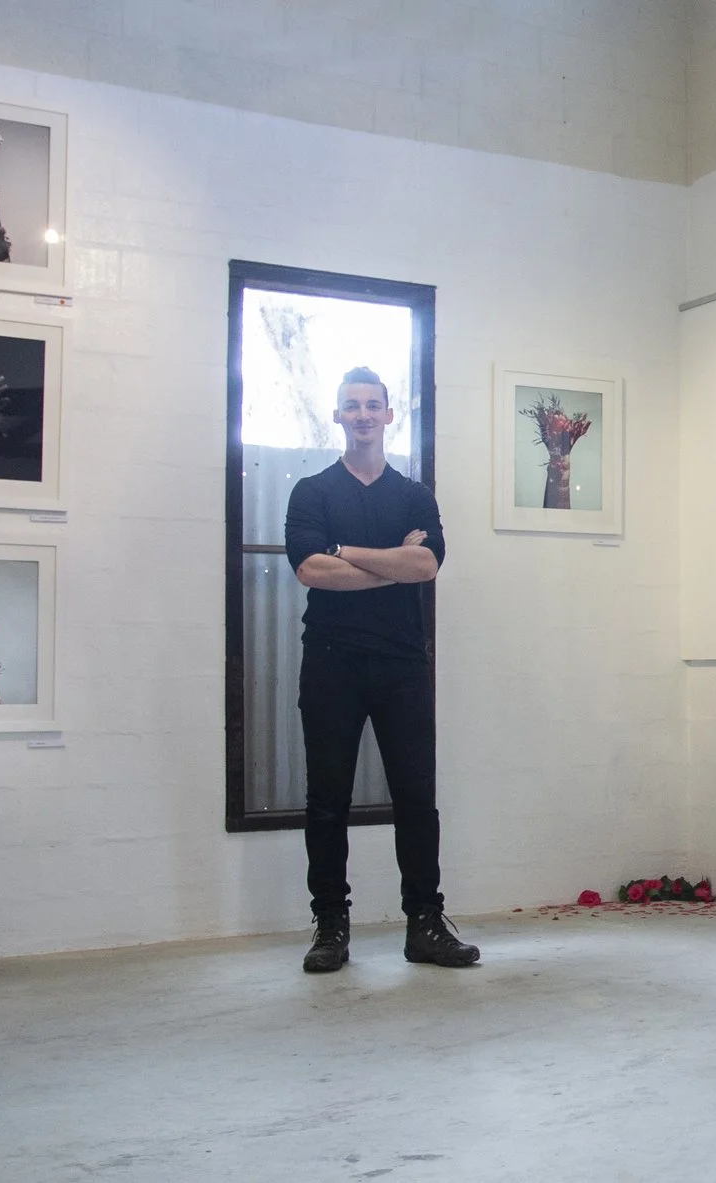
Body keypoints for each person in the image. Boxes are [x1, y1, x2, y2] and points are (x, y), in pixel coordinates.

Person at [282, 367, 477, 972]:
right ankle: (331, 926)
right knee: (327, 801)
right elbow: (312, 572)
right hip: (332, 664)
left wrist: (345, 552)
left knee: (417, 797)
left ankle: (425, 923)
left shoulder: (415, 496)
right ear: (337, 416)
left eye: (373, 405)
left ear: (390, 415)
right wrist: (387, 559)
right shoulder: (311, 493)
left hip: (402, 666)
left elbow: (425, 567)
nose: (363, 414)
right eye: (351, 406)